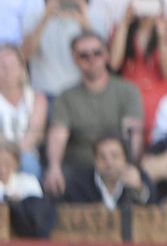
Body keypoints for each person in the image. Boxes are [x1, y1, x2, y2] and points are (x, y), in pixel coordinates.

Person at [44, 33, 143, 195]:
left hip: (116, 164)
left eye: (97, 53)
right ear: (75, 59)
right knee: (56, 182)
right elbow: (58, 135)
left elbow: (133, 135)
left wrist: (130, 166)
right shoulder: (66, 97)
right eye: (84, 55)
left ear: (106, 55)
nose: (91, 59)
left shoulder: (128, 91)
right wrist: (54, 167)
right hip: (80, 168)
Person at [108, 0, 167, 141]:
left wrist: (162, 37)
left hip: (159, 100)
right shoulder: (121, 28)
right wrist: (124, 24)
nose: (146, 2)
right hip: (128, 98)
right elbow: (114, 64)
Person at [25, 0, 96, 98]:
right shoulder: (35, 17)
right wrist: (44, 19)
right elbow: (25, 55)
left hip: (81, 95)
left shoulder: (94, 17)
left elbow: (99, 62)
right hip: (44, 94)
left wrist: (85, 26)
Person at [63, 134, 150, 207]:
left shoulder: (140, 178)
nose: (109, 162)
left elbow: (151, 202)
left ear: (125, 158)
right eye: (102, 157)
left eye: (114, 156)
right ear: (95, 160)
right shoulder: (79, 184)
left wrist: (138, 188)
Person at [0, 47, 47, 178]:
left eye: (13, 65)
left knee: (27, 163)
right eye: (3, 66)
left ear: (22, 68)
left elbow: (35, 133)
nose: (8, 71)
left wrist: (14, 156)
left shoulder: (36, 98)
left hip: (26, 155)